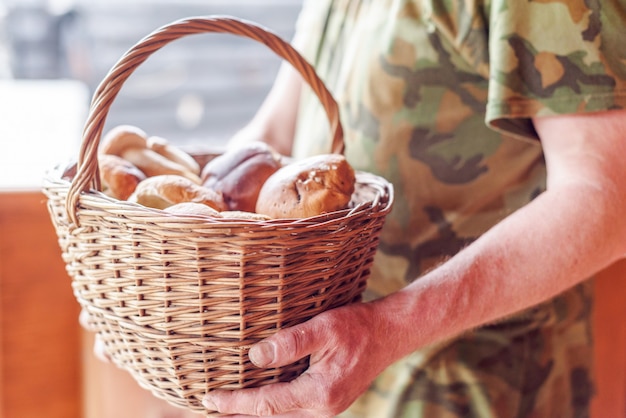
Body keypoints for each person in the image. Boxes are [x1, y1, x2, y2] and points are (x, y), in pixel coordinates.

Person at [197, 0, 626, 417]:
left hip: (469, 387)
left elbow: (608, 196)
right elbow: (275, 136)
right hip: (320, 377)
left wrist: (386, 328)